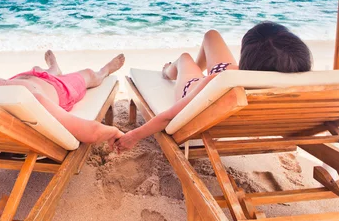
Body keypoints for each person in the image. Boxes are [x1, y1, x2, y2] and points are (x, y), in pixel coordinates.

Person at [115, 22, 312, 152]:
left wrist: (133, 136)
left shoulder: (219, 81)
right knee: (211, 35)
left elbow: (168, 116)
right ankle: (193, 69)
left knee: (185, 58)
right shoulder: (300, 80)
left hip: (199, 88)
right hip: (234, 79)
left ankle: (169, 72)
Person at [0, 43, 125, 146]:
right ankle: (104, 71)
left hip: (25, 79)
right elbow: (88, 131)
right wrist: (115, 132)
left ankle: (53, 67)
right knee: (88, 75)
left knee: (40, 74)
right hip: (58, 89)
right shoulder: (30, 103)